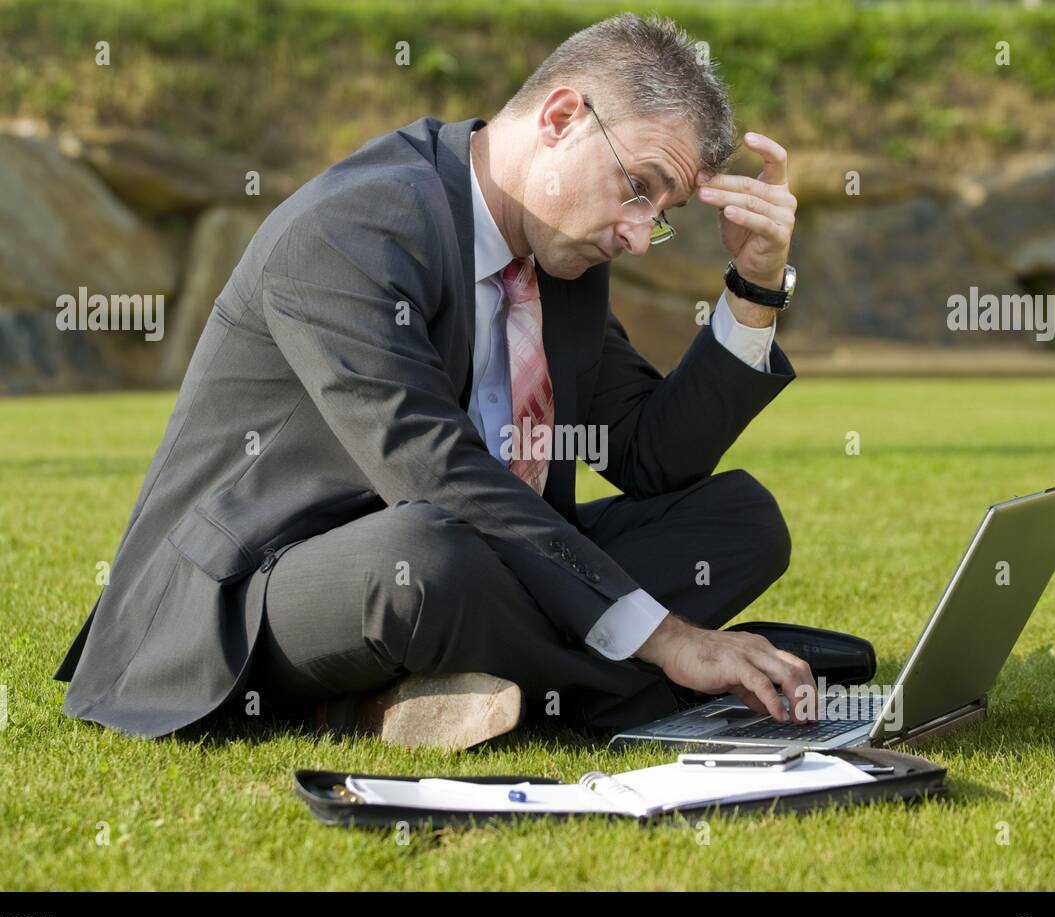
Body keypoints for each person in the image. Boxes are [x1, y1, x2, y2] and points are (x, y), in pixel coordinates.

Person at [52, 13, 816, 748]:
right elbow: (434, 467)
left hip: (477, 558)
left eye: (661, 212)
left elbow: (652, 456)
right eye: (639, 188)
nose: (637, 235)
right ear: (561, 118)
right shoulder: (357, 224)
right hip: (267, 584)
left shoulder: (564, 257)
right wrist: (668, 638)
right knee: (426, 556)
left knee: (742, 521)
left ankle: (466, 684)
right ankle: (654, 686)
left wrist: (753, 289)